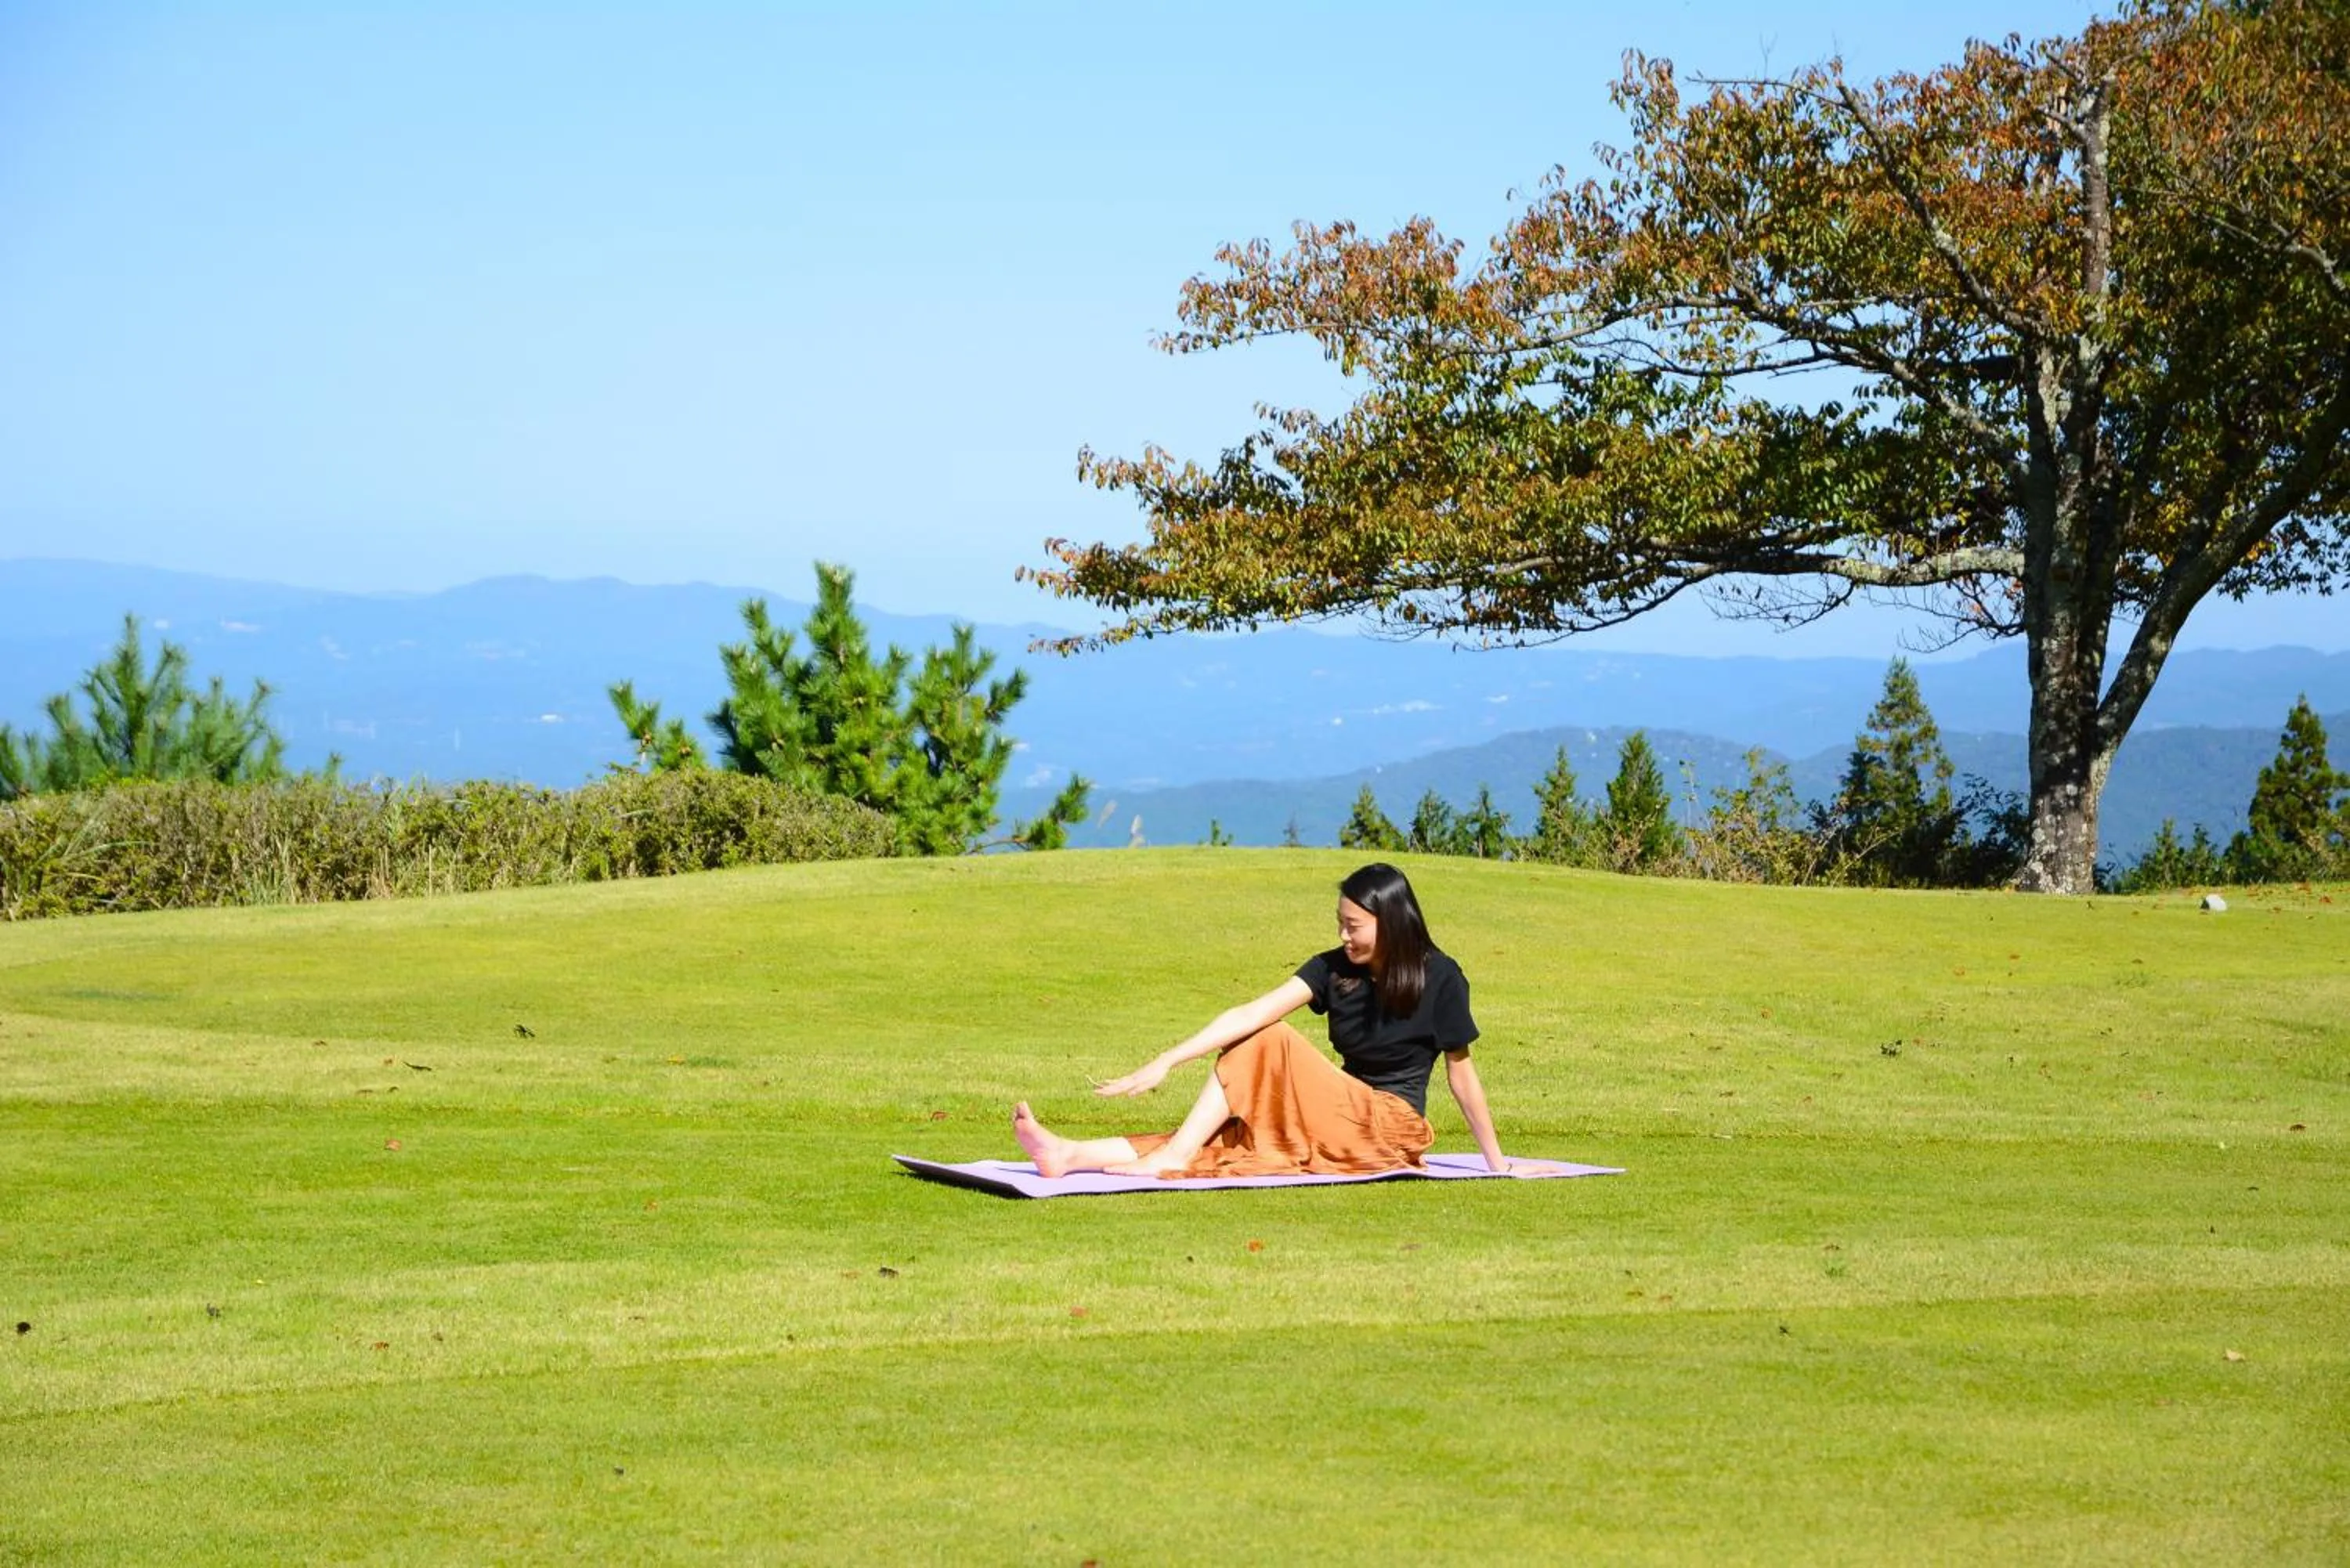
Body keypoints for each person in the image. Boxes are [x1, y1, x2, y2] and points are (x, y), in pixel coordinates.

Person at [1011, 862, 1534, 1179]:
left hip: (1388, 1131)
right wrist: (1167, 1060)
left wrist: (1496, 1161)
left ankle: (1172, 1155)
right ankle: (1069, 1154)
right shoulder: (1334, 969)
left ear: (1391, 920)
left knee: (1272, 1039)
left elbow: (1460, 1074)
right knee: (1231, 1133)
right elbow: (1250, 1011)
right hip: (1336, 1116)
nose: (1345, 936)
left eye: (1354, 926)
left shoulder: (1440, 976)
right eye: (1340, 924)